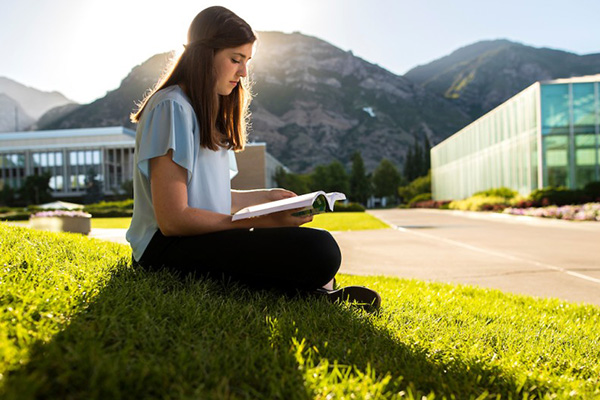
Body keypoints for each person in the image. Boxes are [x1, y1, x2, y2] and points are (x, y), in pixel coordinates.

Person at [126, 6, 381, 310]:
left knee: (312, 246)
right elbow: (173, 219)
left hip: (197, 242)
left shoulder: (208, 113)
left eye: (247, 61)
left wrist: (269, 199)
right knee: (320, 249)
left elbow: (213, 198)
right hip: (163, 251)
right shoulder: (172, 108)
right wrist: (264, 222)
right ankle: (309, 290)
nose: (244, 72)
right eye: (235, 59)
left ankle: (308, 291)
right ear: (204, 55)